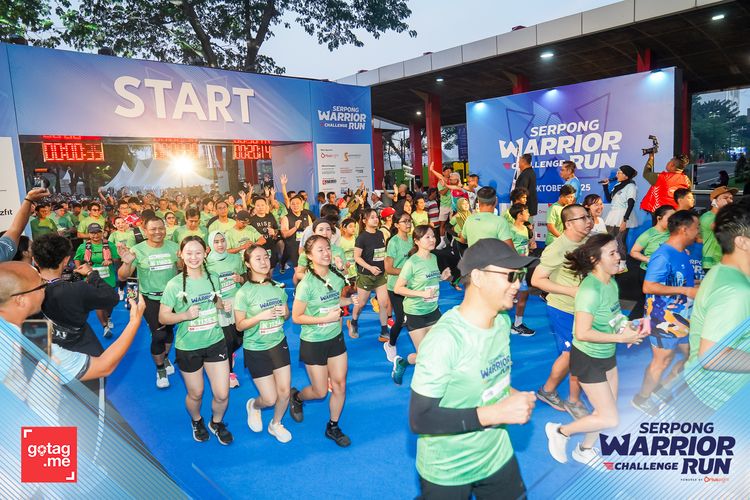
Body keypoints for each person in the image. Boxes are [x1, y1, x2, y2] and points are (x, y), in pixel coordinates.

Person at [409, 238, 536, 499]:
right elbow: (420, 419)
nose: (518, 285)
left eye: (520, 276)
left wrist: (511, 394)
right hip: (448, 470)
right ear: (477, 277)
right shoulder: (445, 340)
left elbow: (489, 380)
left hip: (497, 456)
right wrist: (495, 413)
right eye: (510, 276)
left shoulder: (501, 321)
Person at [545, 234, 647, 466]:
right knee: (610, 418)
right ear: (595, 260)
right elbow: (582, 333)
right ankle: (560, 432)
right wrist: (620, 338)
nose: (618, 257)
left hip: (606, 355)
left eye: (617, 251)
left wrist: (628, 327)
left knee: (605, 410)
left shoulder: (610, 283)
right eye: (612, 253)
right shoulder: (590, 290)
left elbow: (614, 316)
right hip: (588, 358)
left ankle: (584, 449)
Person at [0, 261, 146, 383]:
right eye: (41, 286)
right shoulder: (40, 347)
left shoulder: (25, 330)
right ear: (20, 300)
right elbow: (103, 366)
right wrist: (134, 321)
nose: (45, 288)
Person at [159, 236, 233, 445]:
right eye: (189, 253)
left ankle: (216, 423)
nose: (194, 257)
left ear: (205, 253)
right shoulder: (174, 284)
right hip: (188, 347)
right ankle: (197, 420)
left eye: (198, 252)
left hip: (215, 342)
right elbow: (163, 317)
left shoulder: (213, 277)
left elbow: (215, 300)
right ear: (181, 255)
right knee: (196, 393)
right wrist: (185, 315)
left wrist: (223, 305)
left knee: (222, 394)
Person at [683, 203, 750, 415]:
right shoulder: (735, 291)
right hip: (716, 404)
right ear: (742, 241)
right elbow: (713, 356)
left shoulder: (726, 272)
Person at [631, 210, 700, 415]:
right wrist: (685, 290)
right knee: (662, 361)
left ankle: (661, 390)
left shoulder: (682, 253)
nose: (698, 232)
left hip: (683, 317)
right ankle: (642, 398)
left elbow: (682, 282)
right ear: (684, 229)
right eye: (696, 228)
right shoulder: (663, 255)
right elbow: (648, 286)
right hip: (664, 320)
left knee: (693, 355)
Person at [32, 234, 120, 393]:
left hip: (42, 362)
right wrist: (92, 274)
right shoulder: (77, 289)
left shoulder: (25, 294)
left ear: (35, 261)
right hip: (85, 360)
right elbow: (111, 297)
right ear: (66, 260)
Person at [289, 235, 354, 447]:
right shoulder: (306, 284)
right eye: (320, 250)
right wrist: (324, 319)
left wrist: (349, 300)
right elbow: (296, 317)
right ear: (309, 256)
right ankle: (297, 397)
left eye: (328, 248)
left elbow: (335, 300)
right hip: (314, 342)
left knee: (340, 384)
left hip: (335, 338)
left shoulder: (336, 276)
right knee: (319, 391)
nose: (326, 253)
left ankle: (333, 426)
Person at [531, 204, 593, 420]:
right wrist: (572, 291)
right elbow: (537, 280)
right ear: (568, 224)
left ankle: (549, 391)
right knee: (574, 355)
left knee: (576, 354)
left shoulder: (587, 241)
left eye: (588, 216)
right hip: (563, 309)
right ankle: (568, 399)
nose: (588, 221)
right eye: (582, 218)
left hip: (585, 309)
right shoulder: (557, 248)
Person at [234, 245, 293, 443]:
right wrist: (261, 316)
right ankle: (254, 406)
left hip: (278, 343)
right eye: (257, 258)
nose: (263, 261)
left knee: (284, 391)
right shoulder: (243, 293)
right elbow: (240, 325)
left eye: (266, 257)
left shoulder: (278, 287)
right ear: (248, 264)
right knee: (269, 398)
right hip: (256, 348)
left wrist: (284, 313)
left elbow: (286, 315)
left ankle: (276, 424)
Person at [118, 216, 180, 388]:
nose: (157, 232)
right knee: (158, 334)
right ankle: (160, 369)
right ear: (145, 231)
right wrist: (127, 263)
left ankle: (165, 358)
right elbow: (122, 276)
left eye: (161, 228)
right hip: (149, 299)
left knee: (169, 331)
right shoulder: (137, 250)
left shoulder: (174, 247)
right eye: (153, 229)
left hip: (171, 299)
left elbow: (182, 269)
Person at [391, 225, 452, 385]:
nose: (432, 240)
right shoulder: (411, 263)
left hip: (433, 310)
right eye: (427, 237)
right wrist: (421, 294)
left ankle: (405, 363)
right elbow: (398, 289)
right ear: (417, 241)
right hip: (415, 312)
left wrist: (442, 277)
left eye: (433, 236)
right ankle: (403, 363)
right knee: (426, 356)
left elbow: (428, 279)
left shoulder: (433, 258)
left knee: (437, 351)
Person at [205, 231, 245, 389]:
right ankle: (229, 373)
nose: (220, 244)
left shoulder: (235, 258)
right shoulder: (206, 263)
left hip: (238, 302)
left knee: (239, 339)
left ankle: (231, 352)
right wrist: (218, 302)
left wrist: (240, 279)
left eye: (222, 240)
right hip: (220, 305)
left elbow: (245, 277)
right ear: (210, 244)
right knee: (227, 341)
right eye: (216, 242)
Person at [348, 209, 391, 341]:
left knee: (384, 303)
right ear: (365, 221)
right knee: (361, 303)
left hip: (381, 276)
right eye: (372, 217)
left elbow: (382, 253)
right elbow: (357, 257)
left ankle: (384, 330)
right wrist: (370, 268)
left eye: (376, 217)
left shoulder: (380, 234)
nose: (376, 219)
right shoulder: (361, 238)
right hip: (366, 276)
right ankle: (354, 322)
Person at [73, 223, 120, 338]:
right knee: (99, 303)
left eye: (98, 232)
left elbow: (117, 259)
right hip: (92, 278)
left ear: (102, 232)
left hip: (108, 278)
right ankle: (105, 327)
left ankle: (108, 317)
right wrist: (79, 269)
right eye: (92, 233)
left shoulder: (110, 245)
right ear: (89, 234)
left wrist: (110, 261)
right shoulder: (83, 247)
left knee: (109, 302)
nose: (95, 235)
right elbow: (77, 258)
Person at [629, 205, 674, 320]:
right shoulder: (648, 234)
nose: (673, 221)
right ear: (659, 218)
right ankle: (632, 323)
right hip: (648, 272)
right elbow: (633, 252)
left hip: (665, 273)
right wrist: (649, 260)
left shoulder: (672, 233)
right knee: (645, 300)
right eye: (670, 218)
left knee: (659, 301)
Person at [383, 213, 413, 363]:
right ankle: (390, 344)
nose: (408, 224)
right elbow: (388, 268)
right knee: (401, 319)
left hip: (411, 285)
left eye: (409, 221)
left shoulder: (413, 239)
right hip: (395, 286)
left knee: (414, 316)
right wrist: (407, 272)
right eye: (404, 221)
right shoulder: (393, 242)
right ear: (396, 225)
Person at [602, 164, 638, 271]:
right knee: (609, 240)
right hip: (613, 214)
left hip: (623, 215)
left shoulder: (631, 186)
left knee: (620, 240)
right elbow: (609, 199)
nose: (617, 174)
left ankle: (623, 264)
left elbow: (631, 203)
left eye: (619, 172)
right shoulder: (617, 185)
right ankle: (611, 261)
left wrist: (624, 220)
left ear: (626, 176)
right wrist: (605, 186)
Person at [509, 203, 536, 336]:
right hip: (514, 267)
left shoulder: (525, 228)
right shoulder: (510, 229)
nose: (529, 214)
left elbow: (524, 246)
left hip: (522, 266)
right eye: (526, 212)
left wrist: (530, 246)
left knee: (516, 295)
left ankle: (516, 324)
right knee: (521, 294)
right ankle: (516, 325)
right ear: (519, 215)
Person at [700, 186, 737, 271]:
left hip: (725, 262)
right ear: (714, 200)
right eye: (725, 198)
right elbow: (722, 228)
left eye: (731, 198)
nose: (729, 201)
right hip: (711, 263)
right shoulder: (707, 217)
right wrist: (724, 209)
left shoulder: (727, 216)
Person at [279, 195, 313, 272]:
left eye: (297, 203)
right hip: (293, 246)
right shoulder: (286, 218)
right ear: (290, 205)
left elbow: (311, 231)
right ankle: (283, 265)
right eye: (293, 204)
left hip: (305, 245)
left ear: (302, 204)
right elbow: (284, 235)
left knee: (308, 268)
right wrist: (295, 228)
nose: (295, 205)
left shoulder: (306, 216)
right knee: (298, 270)